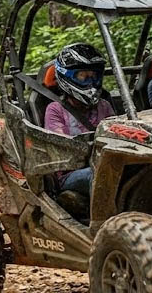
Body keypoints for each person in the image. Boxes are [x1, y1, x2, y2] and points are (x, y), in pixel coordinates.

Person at [44, 43, 115, 200]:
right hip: (70, 173)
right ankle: (103, 222)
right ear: (67, 76)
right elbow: (62, 147)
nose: (90, 81)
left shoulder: (104, 105)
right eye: (83, 76)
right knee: (101, 175)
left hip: (106, 164)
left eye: (94, 76)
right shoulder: (55, 110)